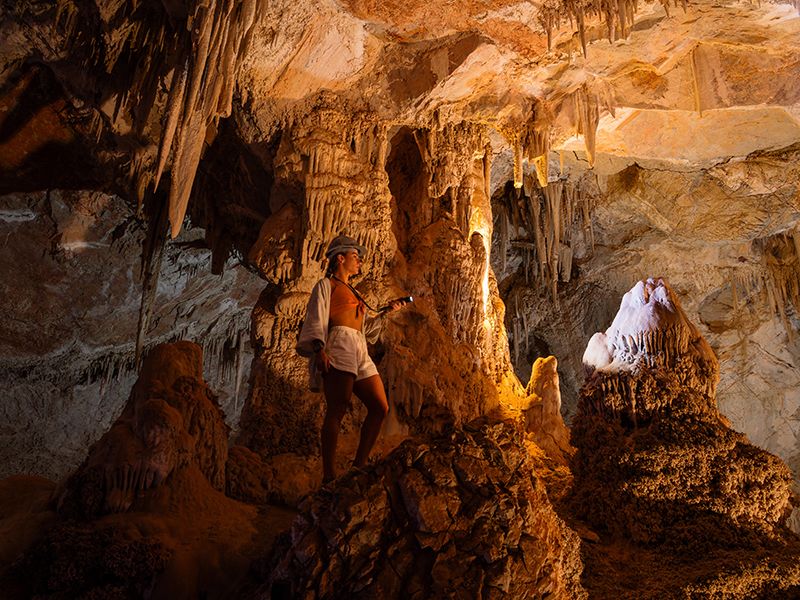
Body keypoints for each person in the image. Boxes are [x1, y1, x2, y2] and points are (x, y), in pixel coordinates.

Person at [296, 235, 407, 484]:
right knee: (338, 407)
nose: (360, 262)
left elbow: (365, 329)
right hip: (339, 343)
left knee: (380, 407)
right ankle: (329, 475)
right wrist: (318, 349)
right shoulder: (327, 285)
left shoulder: (354, 291)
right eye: (356, 257)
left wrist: (386, 312)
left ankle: (358, 466)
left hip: (359, 345)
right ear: (340, 257)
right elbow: (316, 316)